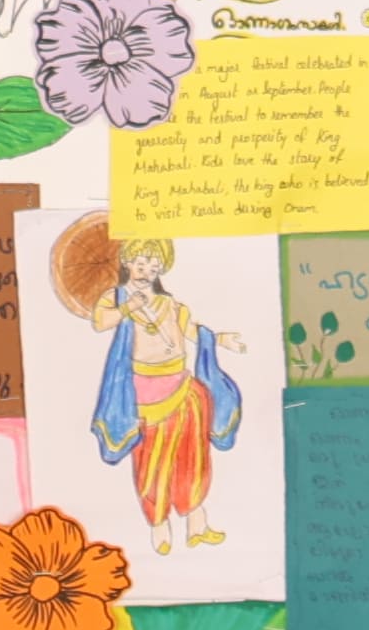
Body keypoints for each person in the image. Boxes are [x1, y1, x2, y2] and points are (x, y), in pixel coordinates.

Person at [54, 213, 240, 552]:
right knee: (152, 463)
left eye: (154, 265)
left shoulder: (169, 302)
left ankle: (197, 523)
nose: (147, 270)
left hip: (182, 387)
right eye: (141, 263)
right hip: (145, 395)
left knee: (192, 457)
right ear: (127, 262)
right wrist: (129, 307)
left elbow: (190, 330)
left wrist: (221, 339)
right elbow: (100, 323)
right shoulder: (116, 298)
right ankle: (159, 527)